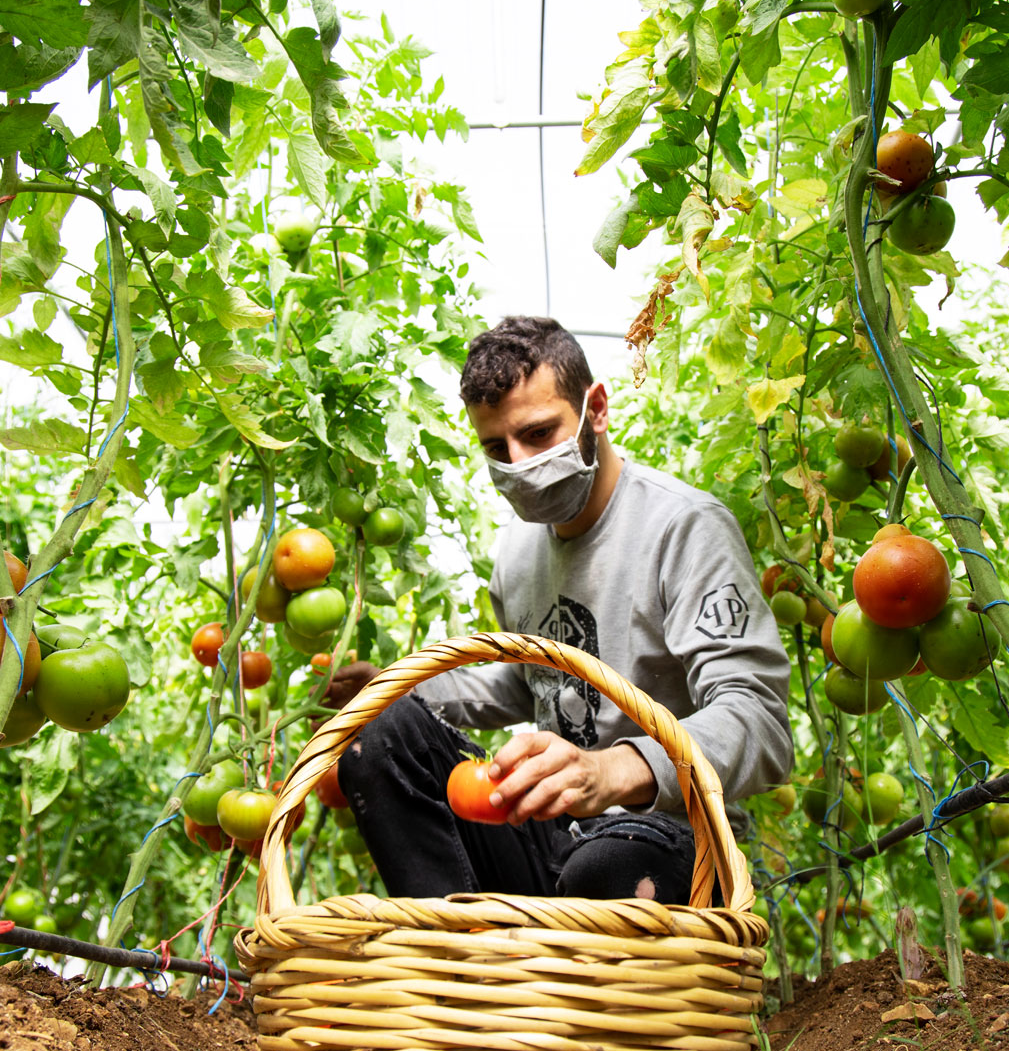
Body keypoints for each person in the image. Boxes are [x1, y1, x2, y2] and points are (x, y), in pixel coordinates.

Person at [326, 316, 792, 903]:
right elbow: (532, 685)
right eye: (497, 447)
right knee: (382, 735)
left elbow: (759, 720)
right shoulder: (519, 553)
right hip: (557, 840)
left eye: (540, 434)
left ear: (595, 409)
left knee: (610, 864)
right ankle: (455, 967)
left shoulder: (682, 529)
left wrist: (613, 770)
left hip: (668, 843)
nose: (518, 463)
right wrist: (406, 691)